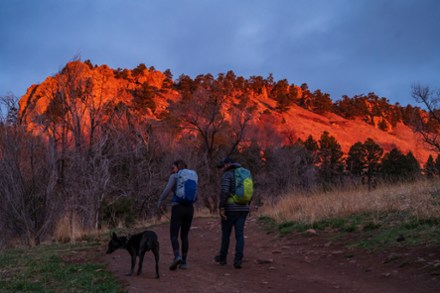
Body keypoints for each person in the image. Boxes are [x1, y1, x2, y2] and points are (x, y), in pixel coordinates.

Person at [157, 159, 195, 270]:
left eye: (173, 168)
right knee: (184, 236)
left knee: (174, 234)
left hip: (178, 207)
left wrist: (160, 201)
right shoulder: (191, 176)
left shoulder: (175, 176)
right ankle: (184, 262)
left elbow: (167, 189)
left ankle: (177, 256)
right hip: (190, 208)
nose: (172, 170)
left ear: (178, 167)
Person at [214, 157, 250, 269]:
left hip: (230, 209)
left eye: (222, 166)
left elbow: (224, 192)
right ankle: (238, 260)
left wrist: (221, 207)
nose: (221, 169)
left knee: (226, 234)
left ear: (227, 165)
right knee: (239, 235)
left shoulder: (227, 175)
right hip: (243, 208)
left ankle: (223, 257)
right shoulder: (245, 173)